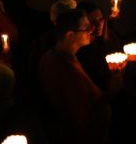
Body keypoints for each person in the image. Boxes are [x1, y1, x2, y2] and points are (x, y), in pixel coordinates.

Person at [39, 8, 110, 144]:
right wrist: (111, 92)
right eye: (86, 27)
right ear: (70, 35)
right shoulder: (65, 69)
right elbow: (81, 115)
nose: (91, 30)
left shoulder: (53, 56)